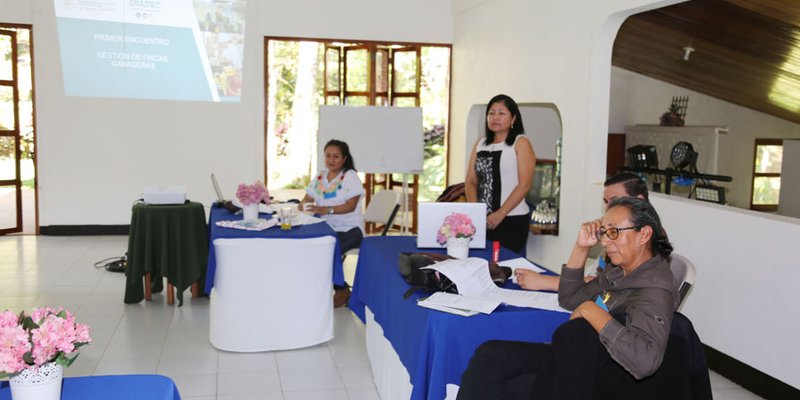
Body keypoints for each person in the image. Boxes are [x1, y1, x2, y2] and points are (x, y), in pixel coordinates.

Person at [457, 197, 680, 399]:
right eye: (604, 232)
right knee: (490, 355)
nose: (604, 241)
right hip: (580, 356)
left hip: (602, 372)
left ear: (644, 234)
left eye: (613, 232)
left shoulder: (654, 288)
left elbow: (644, 361)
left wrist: (592, 311)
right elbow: (569, 298)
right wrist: (581, 247)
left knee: (510, 388)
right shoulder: (618, 270)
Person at [515, 172, 648, 291]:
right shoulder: (608, 228)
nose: (608, 208)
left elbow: (607, 286)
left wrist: (544, 282)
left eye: (615, 201)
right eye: (606, 202)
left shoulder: (644, 239)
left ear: (639, 200)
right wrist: (584, 243)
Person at [466, 94, 536, 253]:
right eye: (491, 113)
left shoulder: (520, 142)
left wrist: (500, 214)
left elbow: (525, 185)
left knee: (503, 268)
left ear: (513, 119)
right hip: (482, 220)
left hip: (511, 219)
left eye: (501, 113)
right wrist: (475, 211)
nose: (495, 117)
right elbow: (470, 181)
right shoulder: (480, 143)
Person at [299, 139, 364, 307]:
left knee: (327, 250)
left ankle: (341, 290)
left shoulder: (350, 177)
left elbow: (351, 206)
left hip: (350, 229)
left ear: (344, 158)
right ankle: (320, 289)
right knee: (311, 248)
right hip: (325, 227)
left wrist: (326, 210)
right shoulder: (321, 176)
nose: (331, 160)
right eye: (328, 155)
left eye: (336, 156)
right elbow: (307, 198)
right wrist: (303, 204)